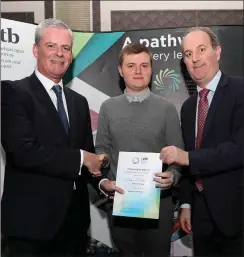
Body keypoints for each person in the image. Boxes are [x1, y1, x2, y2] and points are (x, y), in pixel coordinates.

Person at [1, 18, 105, 257]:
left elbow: (88, 156)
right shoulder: (12, 93)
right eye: (51, 46)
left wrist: (101, 182)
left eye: (66, 48)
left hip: (74, 226)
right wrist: (82, 158)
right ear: (36, 50)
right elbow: (23, 151)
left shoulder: (79, 103)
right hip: (31, 228)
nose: (59, 54)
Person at [95, 43, 184, 257]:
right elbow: (102, 150)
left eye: (144, 65)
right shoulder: (108, 107)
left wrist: (172, 176)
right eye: (131, 65)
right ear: (120, 70)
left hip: (159, 205)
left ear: (151, 70)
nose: (138, 71)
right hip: (120, 204)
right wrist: (102, 168)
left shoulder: (167, 109)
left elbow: (178, 157)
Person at [162, 27, 244, 256]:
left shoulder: (240, 91)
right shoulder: (188, 108)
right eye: (188, 54)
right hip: (200, 218)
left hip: (236, 214)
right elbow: (190, 160)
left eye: (201, 49)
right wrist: (186, 204)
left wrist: (186, 157)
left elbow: (239, 150)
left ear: (217, 52)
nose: (195, 59)